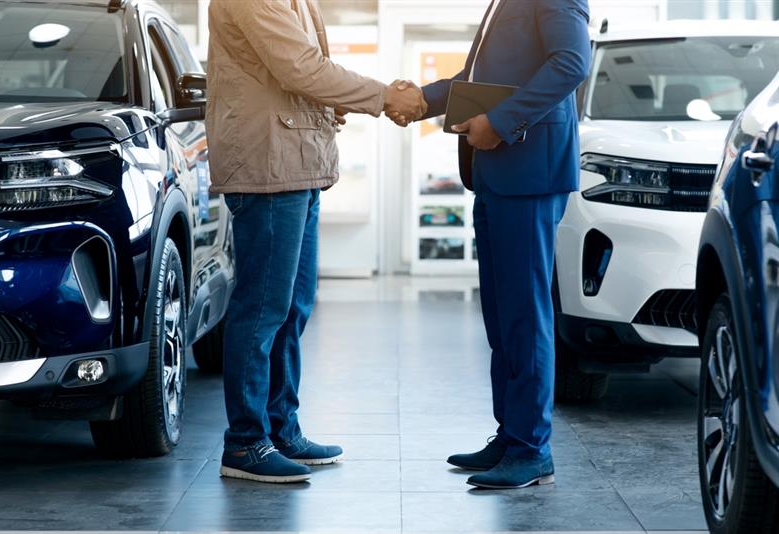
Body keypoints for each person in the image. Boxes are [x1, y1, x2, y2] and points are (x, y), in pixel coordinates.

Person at [206, 0, 426, 484]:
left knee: (293, 307)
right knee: (262, 309)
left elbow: (302, 73)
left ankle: (281, 429)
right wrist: (383, 95)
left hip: (297, 164)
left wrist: (331, 100)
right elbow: (300, 66)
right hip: (267, 166)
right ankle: (245, 443)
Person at [401, 0, 592, 489]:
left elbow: (571, 62)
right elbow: (476, 77)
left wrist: (502, 121)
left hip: (528, 170)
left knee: (526, 317)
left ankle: (532, 449)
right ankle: (511, 435)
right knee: (504, 318)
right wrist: (420, 99)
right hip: (497, 173)